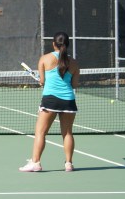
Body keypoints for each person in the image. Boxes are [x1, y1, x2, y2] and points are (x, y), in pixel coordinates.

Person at [19, 31, 81, 172]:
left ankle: (36, 163)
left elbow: (42, 81)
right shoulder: (74, 63)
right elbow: (74, 85)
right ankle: (69, 164)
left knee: (40, 132)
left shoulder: (45, 59)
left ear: (54, 44)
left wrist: (43, 82)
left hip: (50, 100)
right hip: (68, 101)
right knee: (67, 133)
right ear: (67, 45)